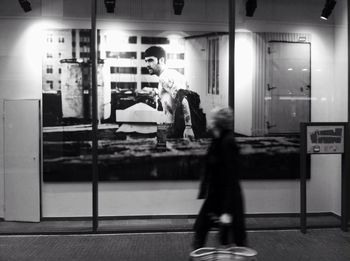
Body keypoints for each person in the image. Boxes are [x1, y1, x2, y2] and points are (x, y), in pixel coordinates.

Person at [192, 107, 247, 249]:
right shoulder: (218, 139)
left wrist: (227, 210)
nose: (210, 121)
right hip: (216, 195)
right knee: (201, 228)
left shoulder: (228, 142)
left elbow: (231, 177)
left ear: (218, 122)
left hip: (227, 197)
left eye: (212, 118)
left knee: (236, 238)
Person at [144, 46, 206, 140]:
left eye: (150, 60)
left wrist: (188, 127)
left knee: (166, 152)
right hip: (164, 125)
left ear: (161, 60)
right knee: (161, 151)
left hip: (171, 126)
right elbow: (171, 96)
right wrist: (155, 92)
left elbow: (184, 98)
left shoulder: (166, 77)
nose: (147, 64)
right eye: (146, 61)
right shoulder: (167, 76)